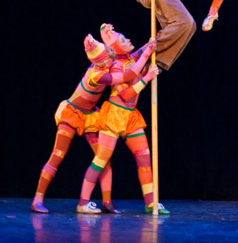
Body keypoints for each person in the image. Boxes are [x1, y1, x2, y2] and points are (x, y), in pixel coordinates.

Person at [31, 34, 153, 214]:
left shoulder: (107, 65)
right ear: (104, 60)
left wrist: (149, 44)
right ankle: (37, 199)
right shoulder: (98, 76)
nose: (113, 56)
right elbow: (131, 73)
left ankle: (107, 202)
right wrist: (146, 59)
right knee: (57, 155)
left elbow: (131, 57)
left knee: (103, 159)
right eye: (110, 54)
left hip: (91, 115)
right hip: (72, 114)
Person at [78, 23, 170, 215]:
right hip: (114, 115)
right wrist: (148, 77)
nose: (127, 40)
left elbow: (141, 52)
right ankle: (83, 203)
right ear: (117, 49)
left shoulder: (130, 58)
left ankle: (151, 203)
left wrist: (152, 43)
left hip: (131, 117)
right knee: (101, 159)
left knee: (144, 158)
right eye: (122, 40)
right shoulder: (115, 67)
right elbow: (127, 94)